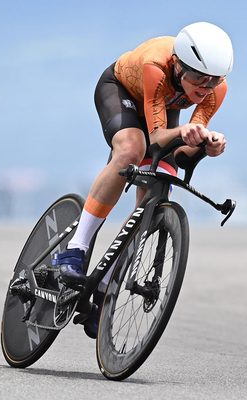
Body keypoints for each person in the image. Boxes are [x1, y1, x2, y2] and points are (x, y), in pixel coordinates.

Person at [52, 21, 234, 338]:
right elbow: (159, 138)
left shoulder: (216, 90)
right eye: (198, 77)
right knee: (131, 150)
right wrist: (183, 134)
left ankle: (106, 282)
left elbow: (179, 155)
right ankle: (76, 248)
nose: (205, 86)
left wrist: (208, 146)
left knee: (157, 191)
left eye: (214, 79)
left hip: (162, 108)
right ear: (178, 65)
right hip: (121, 91)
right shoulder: (156, 66)